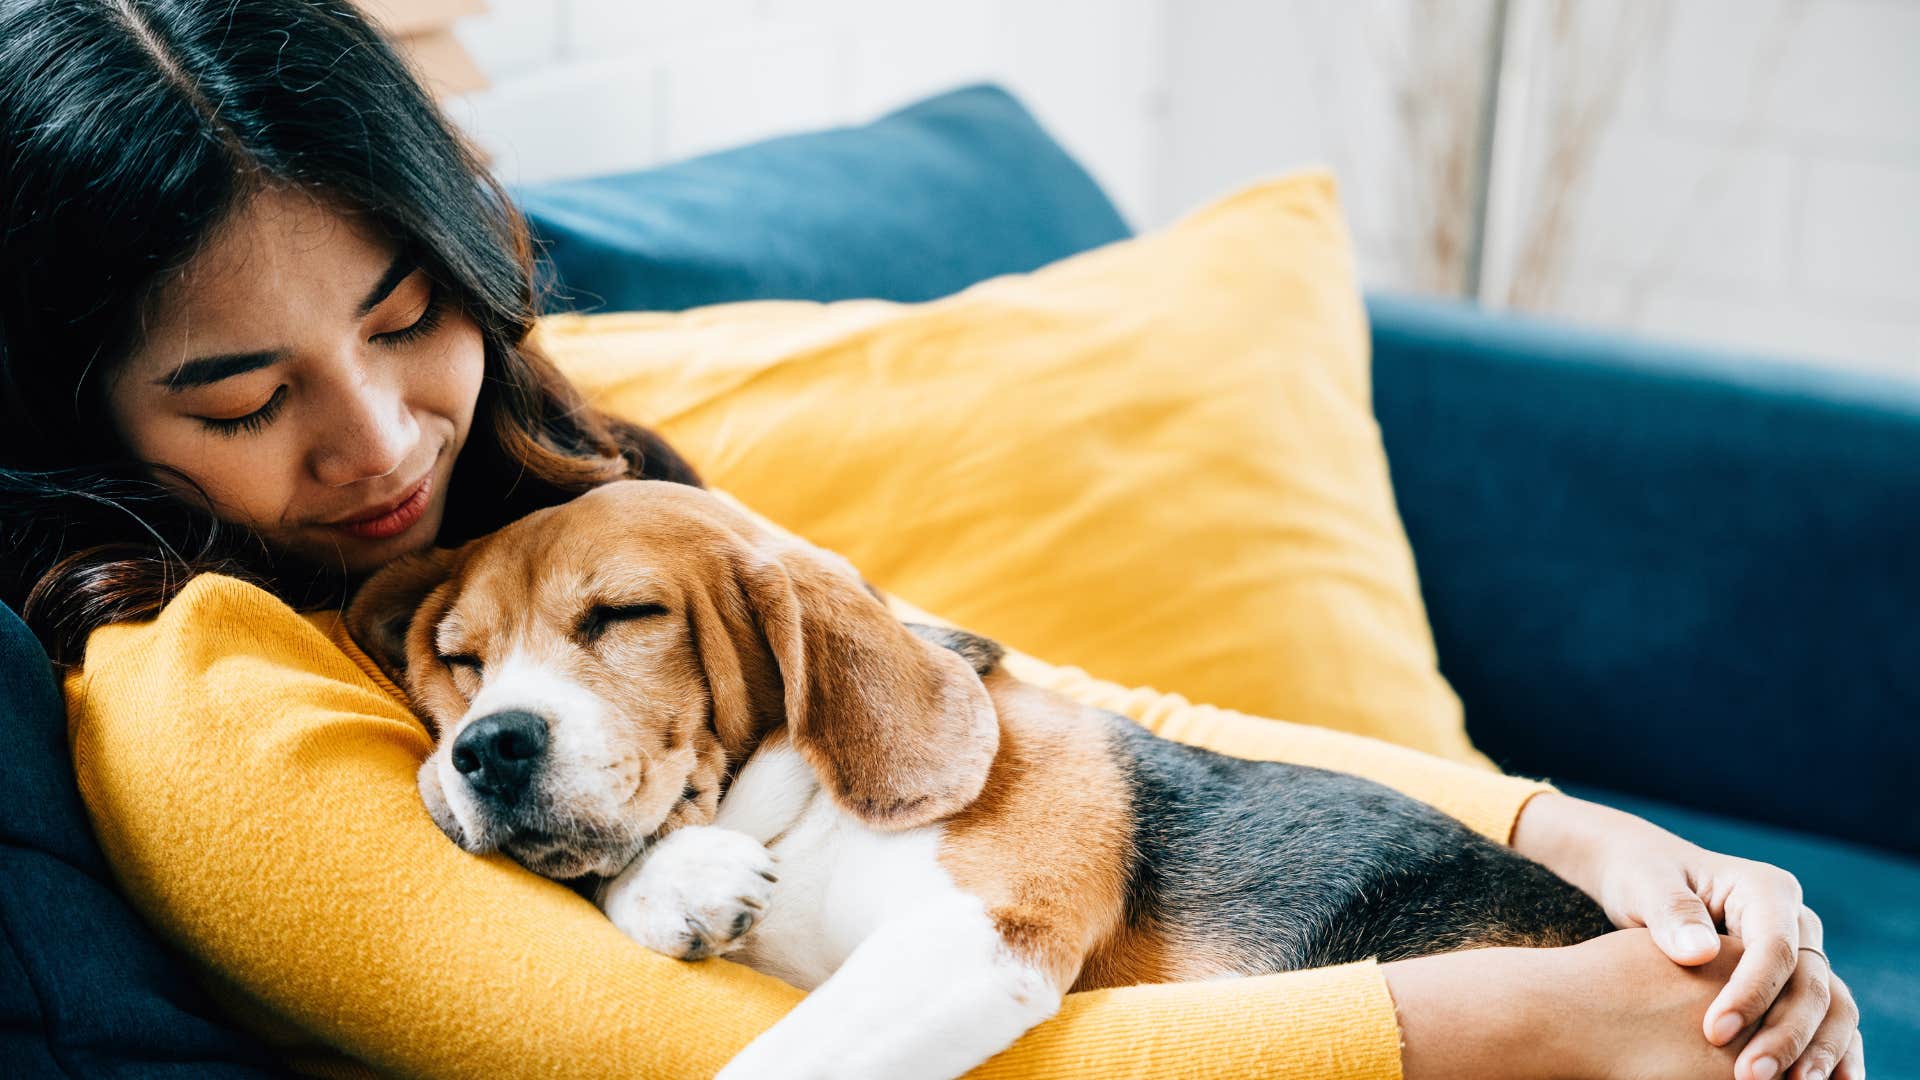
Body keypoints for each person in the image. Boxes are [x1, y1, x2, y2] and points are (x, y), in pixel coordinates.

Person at [0, 3, 1863, 1079]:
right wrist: (1518, 1021)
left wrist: (1587, 840)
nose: (384, 433)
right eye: (243, 403)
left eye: (409, 316)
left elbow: (1047, 708)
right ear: (80, 410)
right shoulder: (202, 701)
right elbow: (662, 1060)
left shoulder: (573, 516)